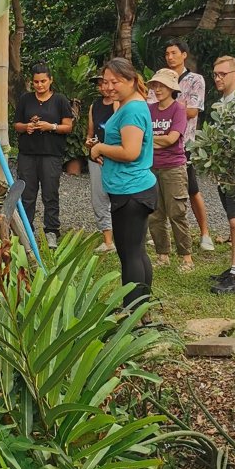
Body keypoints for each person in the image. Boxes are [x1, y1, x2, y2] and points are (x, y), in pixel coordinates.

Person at [88, 58, 156, 309]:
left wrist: (100, 147)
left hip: (132, 190)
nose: (109, 87)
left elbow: (130, 151)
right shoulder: (129, 104)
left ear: (131, 80)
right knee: (136, 252)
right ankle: (141, 309)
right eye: (106, 82)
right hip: (129, 188)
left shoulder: (132, 110)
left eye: (115, 82)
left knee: (130, 255)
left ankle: (133, 312)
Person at [203, 56, 235, 294]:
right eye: (215, 74)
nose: (218, 78)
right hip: (226, 170)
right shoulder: (222, 102)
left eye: (222, 74)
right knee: (232, 221)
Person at [14, 64, 74, 249]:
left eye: (43, 81)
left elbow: (68, 126)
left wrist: (52, 127)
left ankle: (51, 231)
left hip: (51, 154)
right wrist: (27, 127)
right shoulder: (25, 99)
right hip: (27, 154)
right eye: (36, 82)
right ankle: (26, 230)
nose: (39, 85)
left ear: (50, 80)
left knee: (50, 194)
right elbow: (16, 124)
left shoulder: (60, 100)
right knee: (27, 194)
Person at [164, 40, 214, 251]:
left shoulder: (195, 80)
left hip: (185, 143)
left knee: (192, 188)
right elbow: (150, 108)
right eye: (166, 53)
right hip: (160, 141)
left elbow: (193, 110)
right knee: (161, 188)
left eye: (174, 53)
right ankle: (164, 234)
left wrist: (167, 109)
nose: (169, 57)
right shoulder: (161, 79)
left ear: (184, 55)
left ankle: (205, 234)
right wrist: (175, 108)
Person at [146, 69, 193, 271]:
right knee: (155, 214)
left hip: (173, 167)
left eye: (162, 86)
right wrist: (156, 140)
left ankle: (186, 258)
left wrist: (149, 140)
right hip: (151, 167)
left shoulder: (178, 109)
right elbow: (143, 136)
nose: (157, 89)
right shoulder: (149, 109)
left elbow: (172, 139)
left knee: (177, 213)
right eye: (155, 85)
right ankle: (162, 255)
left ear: (172, 88)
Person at [85, 73, 116, 254]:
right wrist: (89, 143)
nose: (103, 87)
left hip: (115, 157)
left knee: (120, 197)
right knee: (99, 199)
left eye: (106, 83)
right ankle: (107, 240)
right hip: (96, 157)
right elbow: (90, 133)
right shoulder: (94, 106)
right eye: (100, 84)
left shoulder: (121, 104)